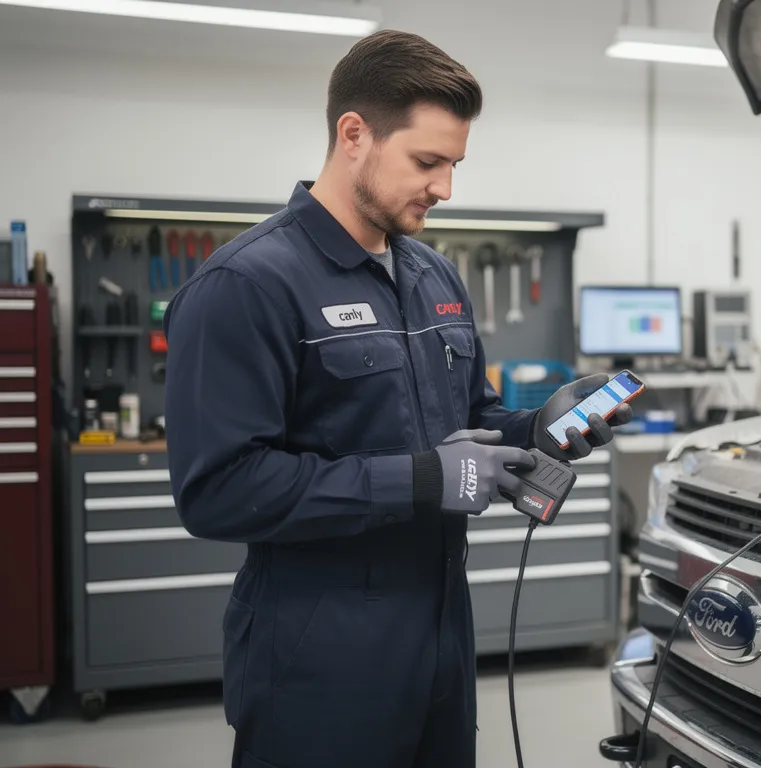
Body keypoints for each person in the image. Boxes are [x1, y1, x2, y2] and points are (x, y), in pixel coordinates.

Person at [162, 29, 631, 768]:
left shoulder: (435, 277)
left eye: (454, 164)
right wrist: (419, 479)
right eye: (427, 161)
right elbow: (217, 490)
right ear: (354, 135)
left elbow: (468, 419)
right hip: (320, 649)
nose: (445, 187)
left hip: (443, 632)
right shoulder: (245, 286)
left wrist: (539, 428)